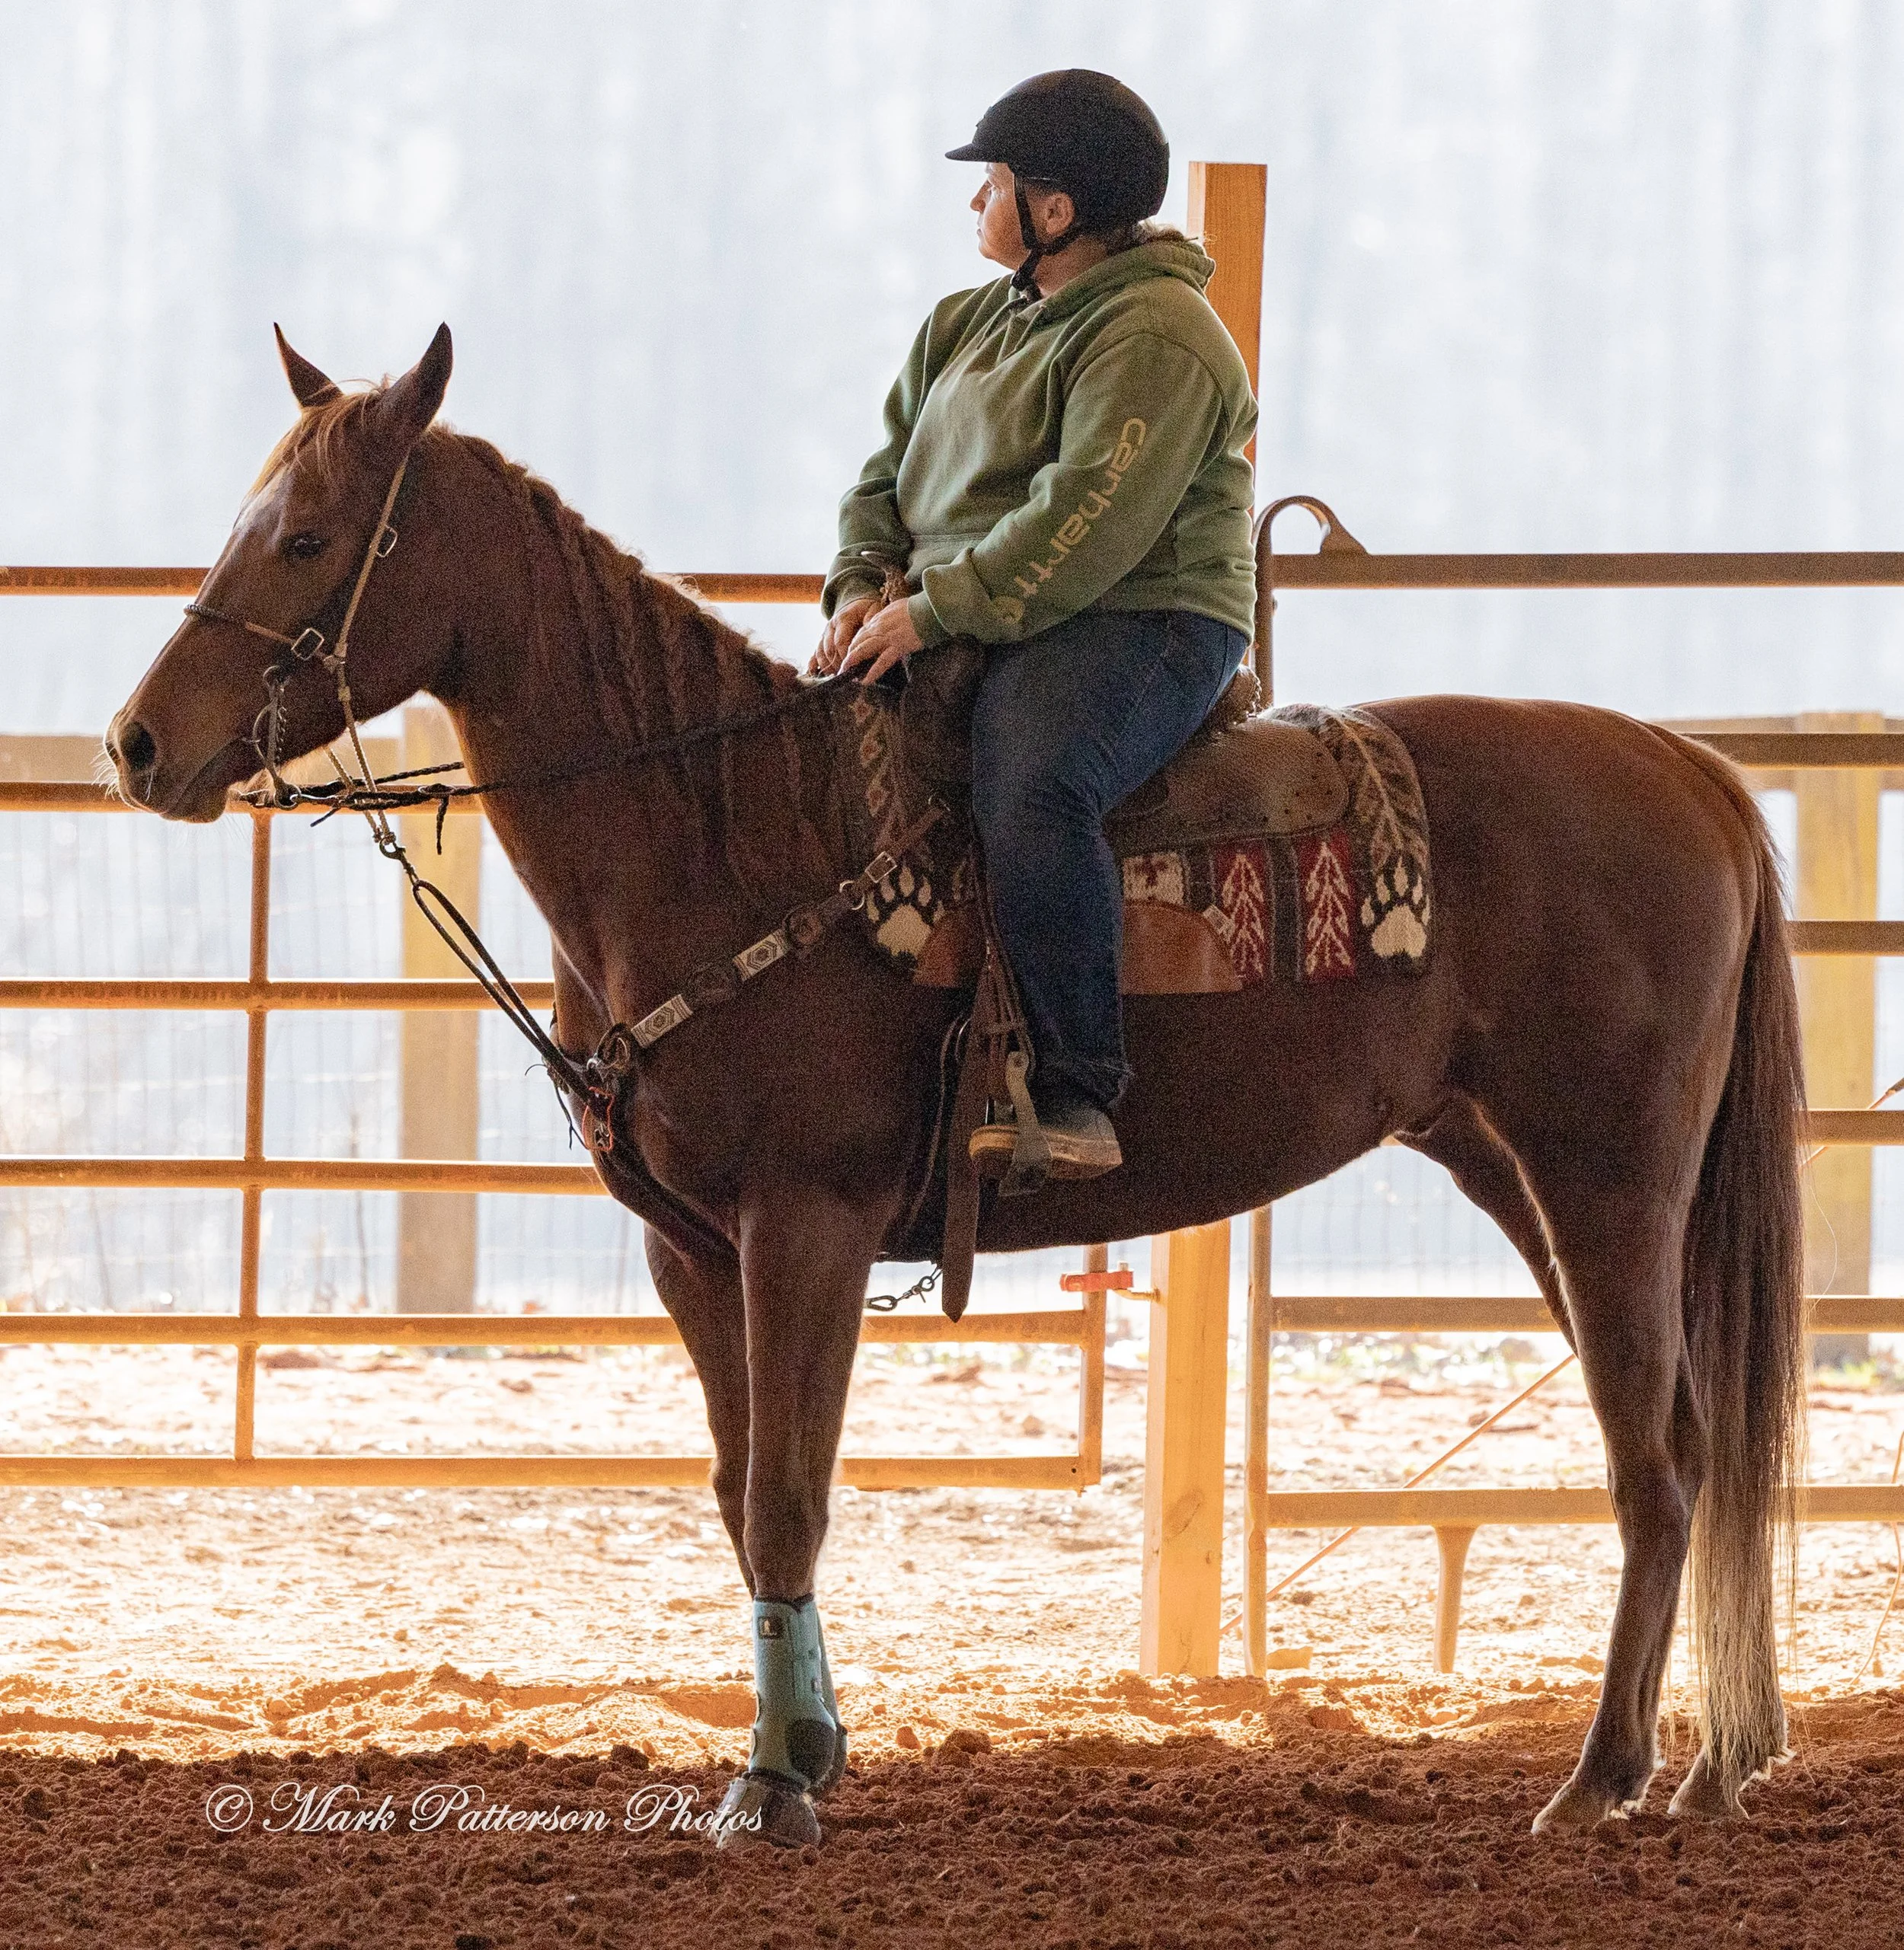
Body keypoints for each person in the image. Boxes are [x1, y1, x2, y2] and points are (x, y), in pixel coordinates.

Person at [813, 69, 1258, 1180]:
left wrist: (932, 612)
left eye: (994, 182)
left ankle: (1076, 1086)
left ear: (1053, 210)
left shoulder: (1162, 335)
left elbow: (1086, 522)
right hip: (974, 605)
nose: (976, 202)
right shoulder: (962, 323)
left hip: (1143, 611)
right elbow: (879, 482)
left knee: (1036, 782)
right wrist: (861, 586)